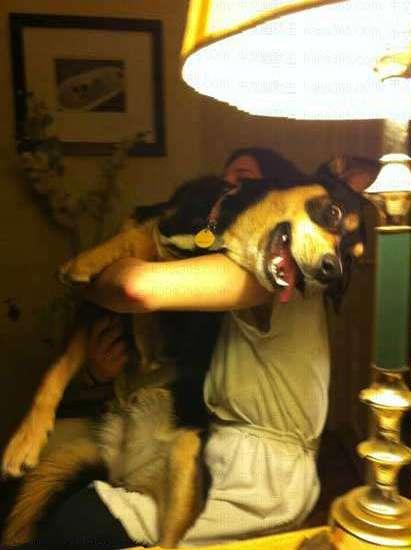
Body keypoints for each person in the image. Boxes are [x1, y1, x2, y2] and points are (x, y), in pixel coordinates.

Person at [23, 148, 326, 549]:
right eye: (223, 187)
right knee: (62, 502)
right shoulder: (226, 266)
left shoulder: (272, 268)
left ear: (277, 194)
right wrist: (95, 373)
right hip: (220, 450)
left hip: (257, 479)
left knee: (78, 522)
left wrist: (108, 260)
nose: (227, 196)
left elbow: (134, 287)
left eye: (244, 183)